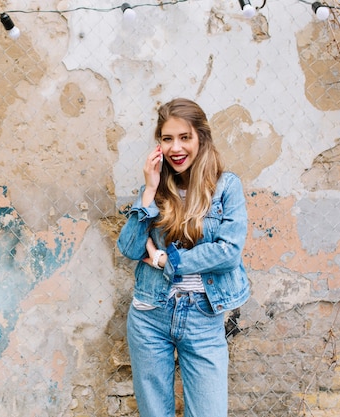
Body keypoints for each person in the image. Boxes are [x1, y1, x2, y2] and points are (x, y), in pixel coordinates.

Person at [117, 98, 250, 417]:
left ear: (201, 137)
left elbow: (228, 253)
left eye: (184, 137)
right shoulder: (156, 188)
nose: (176, 147)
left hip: (203, 316)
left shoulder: (226, 187)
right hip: (151, 315)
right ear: (159, 143)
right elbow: (131, 248)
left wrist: (168, 263)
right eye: (167, 138)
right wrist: (148, 192)